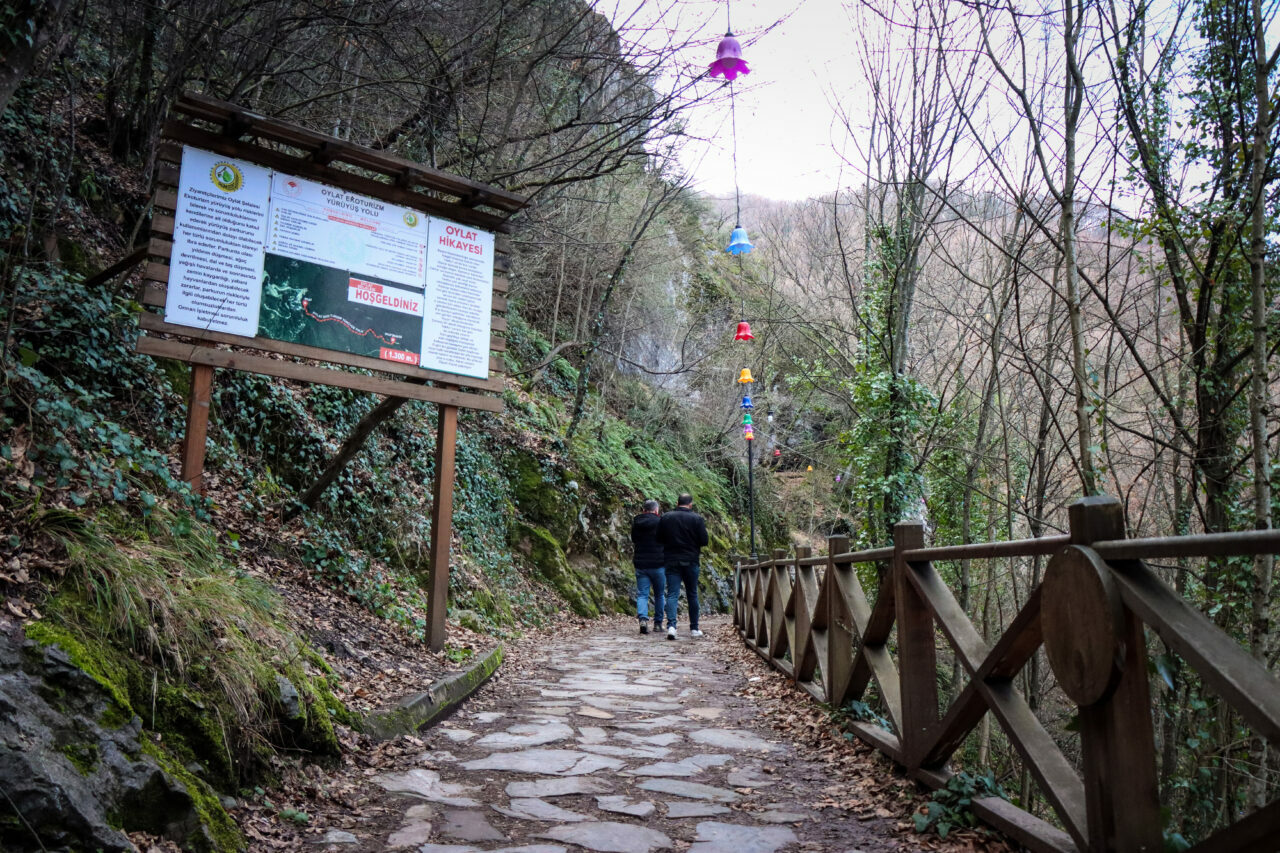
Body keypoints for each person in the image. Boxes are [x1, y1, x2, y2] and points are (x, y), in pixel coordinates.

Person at [657, 493, 708, 640]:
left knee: (672, 594)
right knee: (692, 594)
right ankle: (694, 628)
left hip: (671, 559)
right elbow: (704, 540)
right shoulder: (697, 519)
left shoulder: (666, 517)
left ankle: (672, 626)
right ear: (690, 504)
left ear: (677, 502)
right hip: (691, 560)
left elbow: (659, 538)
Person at [630, 499, 665, 634]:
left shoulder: (637, 522)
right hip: (659, 563)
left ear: (643, 510)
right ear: (656, 510)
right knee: (659, 595)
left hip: (641, 563)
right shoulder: (661, 522)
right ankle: (658, 623)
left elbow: (634, 539)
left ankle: (643, 620)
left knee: (642, 594)